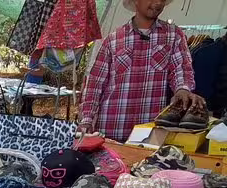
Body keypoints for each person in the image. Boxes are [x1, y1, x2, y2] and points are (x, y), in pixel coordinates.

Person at [78, 0, 206, 142]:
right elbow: (94, 84)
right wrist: (86, 120)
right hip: (111, 129)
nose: (158, 3)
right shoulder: (113, 40)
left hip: (149, 133)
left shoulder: (173, 35)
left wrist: (182, 89)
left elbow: (181, 68)